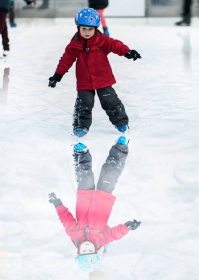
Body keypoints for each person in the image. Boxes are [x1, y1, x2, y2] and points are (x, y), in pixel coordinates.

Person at [49, 136, 141, 273]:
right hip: (104, 199)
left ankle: (81, 153)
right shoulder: (102, 239)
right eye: (90, 250)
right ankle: (120, 148)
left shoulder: (74, 235)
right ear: (95, 250)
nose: (87, 246)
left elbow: (66, 219)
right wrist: (128, 227)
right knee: (109, 173)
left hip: (85, 197)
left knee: (85, 175)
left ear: (79, 251)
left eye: (84, 250)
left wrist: (57, 203)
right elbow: (116, 234)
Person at [48, 8, 141, 138]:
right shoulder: (74, 45)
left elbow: (115, 45)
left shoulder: (102, 41)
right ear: (78, 27)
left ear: (96, 29)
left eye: (90, 29)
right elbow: (65, 60)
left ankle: (120, 122)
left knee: (111, 101)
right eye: (84, 28)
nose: (87, 32)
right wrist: (57, 76)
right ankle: (81, 125)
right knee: (84, 104)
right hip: (84, 80)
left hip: (103, 78)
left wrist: (127, 52)